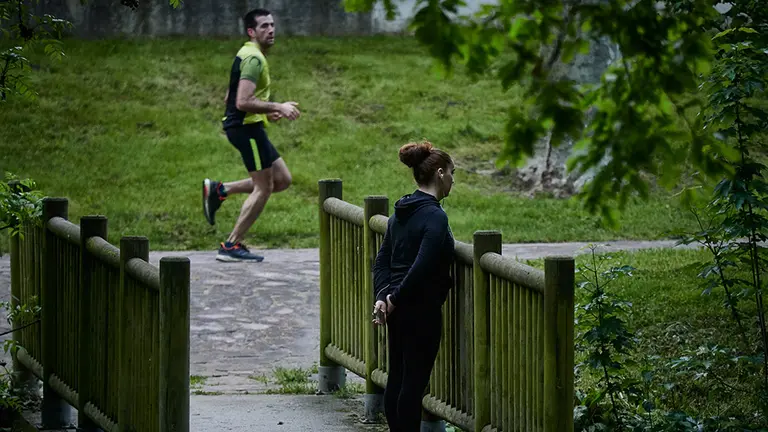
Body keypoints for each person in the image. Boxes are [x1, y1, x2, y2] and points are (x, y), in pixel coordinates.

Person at [202, 8, 301, 262]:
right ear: (251, 31)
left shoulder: (248, 54)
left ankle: (221, 190)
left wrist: (265, 113)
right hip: (246, 130)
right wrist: (277, 106)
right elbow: (242, 101)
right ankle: (231, 245)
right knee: (264, 187)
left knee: (282, 179)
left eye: (272, 25)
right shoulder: (254, 59)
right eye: (264, 26)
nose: (270, 30)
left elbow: (230, 97)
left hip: (250, 126)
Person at [372, 140, 456, 432]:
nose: (453, 181)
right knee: (413, 384)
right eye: (453, 174)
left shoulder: (400, 213)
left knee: (397, 377)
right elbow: (424, 263)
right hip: (421, 309)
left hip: (397, 309)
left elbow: (382, 261)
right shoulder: (435, 215)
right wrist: (393, 297)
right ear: (441, 173)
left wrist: (383, 297)